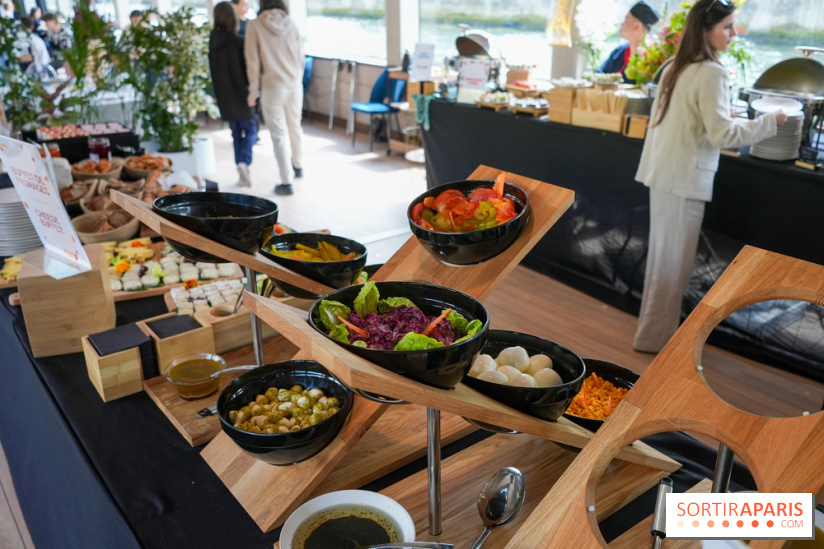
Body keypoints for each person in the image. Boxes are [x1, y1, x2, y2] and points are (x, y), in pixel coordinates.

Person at [632, 0, 788, 353]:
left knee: (663, 263)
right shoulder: (712, 73)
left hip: (664, 174)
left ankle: (651, 338)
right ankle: (656, 344)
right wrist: (769, 122)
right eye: (728, 27)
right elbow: (723, 136)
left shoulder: (676, 65)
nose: (734, 34)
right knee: (672, 269)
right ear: (706, 30)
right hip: (684, 178)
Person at [245, 0, 304, 196]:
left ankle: (286, 181)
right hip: (295, 85)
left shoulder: (254, 25)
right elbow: (301, 56)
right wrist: (297, 78)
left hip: (272, 88)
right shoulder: (292, 23)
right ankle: (298, 165)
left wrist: (253, 92)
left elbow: (252, 62)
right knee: (295, 127)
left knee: (278, 135)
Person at [209, 1, 257, 188]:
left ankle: (240, 166)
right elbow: (248, 71)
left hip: (225, 97)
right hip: (242, 95)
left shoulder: (213, 42)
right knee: (251, 129)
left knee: (236, 133)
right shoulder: (239, 42)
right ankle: (244, 162)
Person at [598, 1, 660, 84]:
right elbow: (599, 74)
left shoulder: (652, 58)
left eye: (626, 20)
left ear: (637, 26)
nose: (622, 24)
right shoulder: (619, 51)